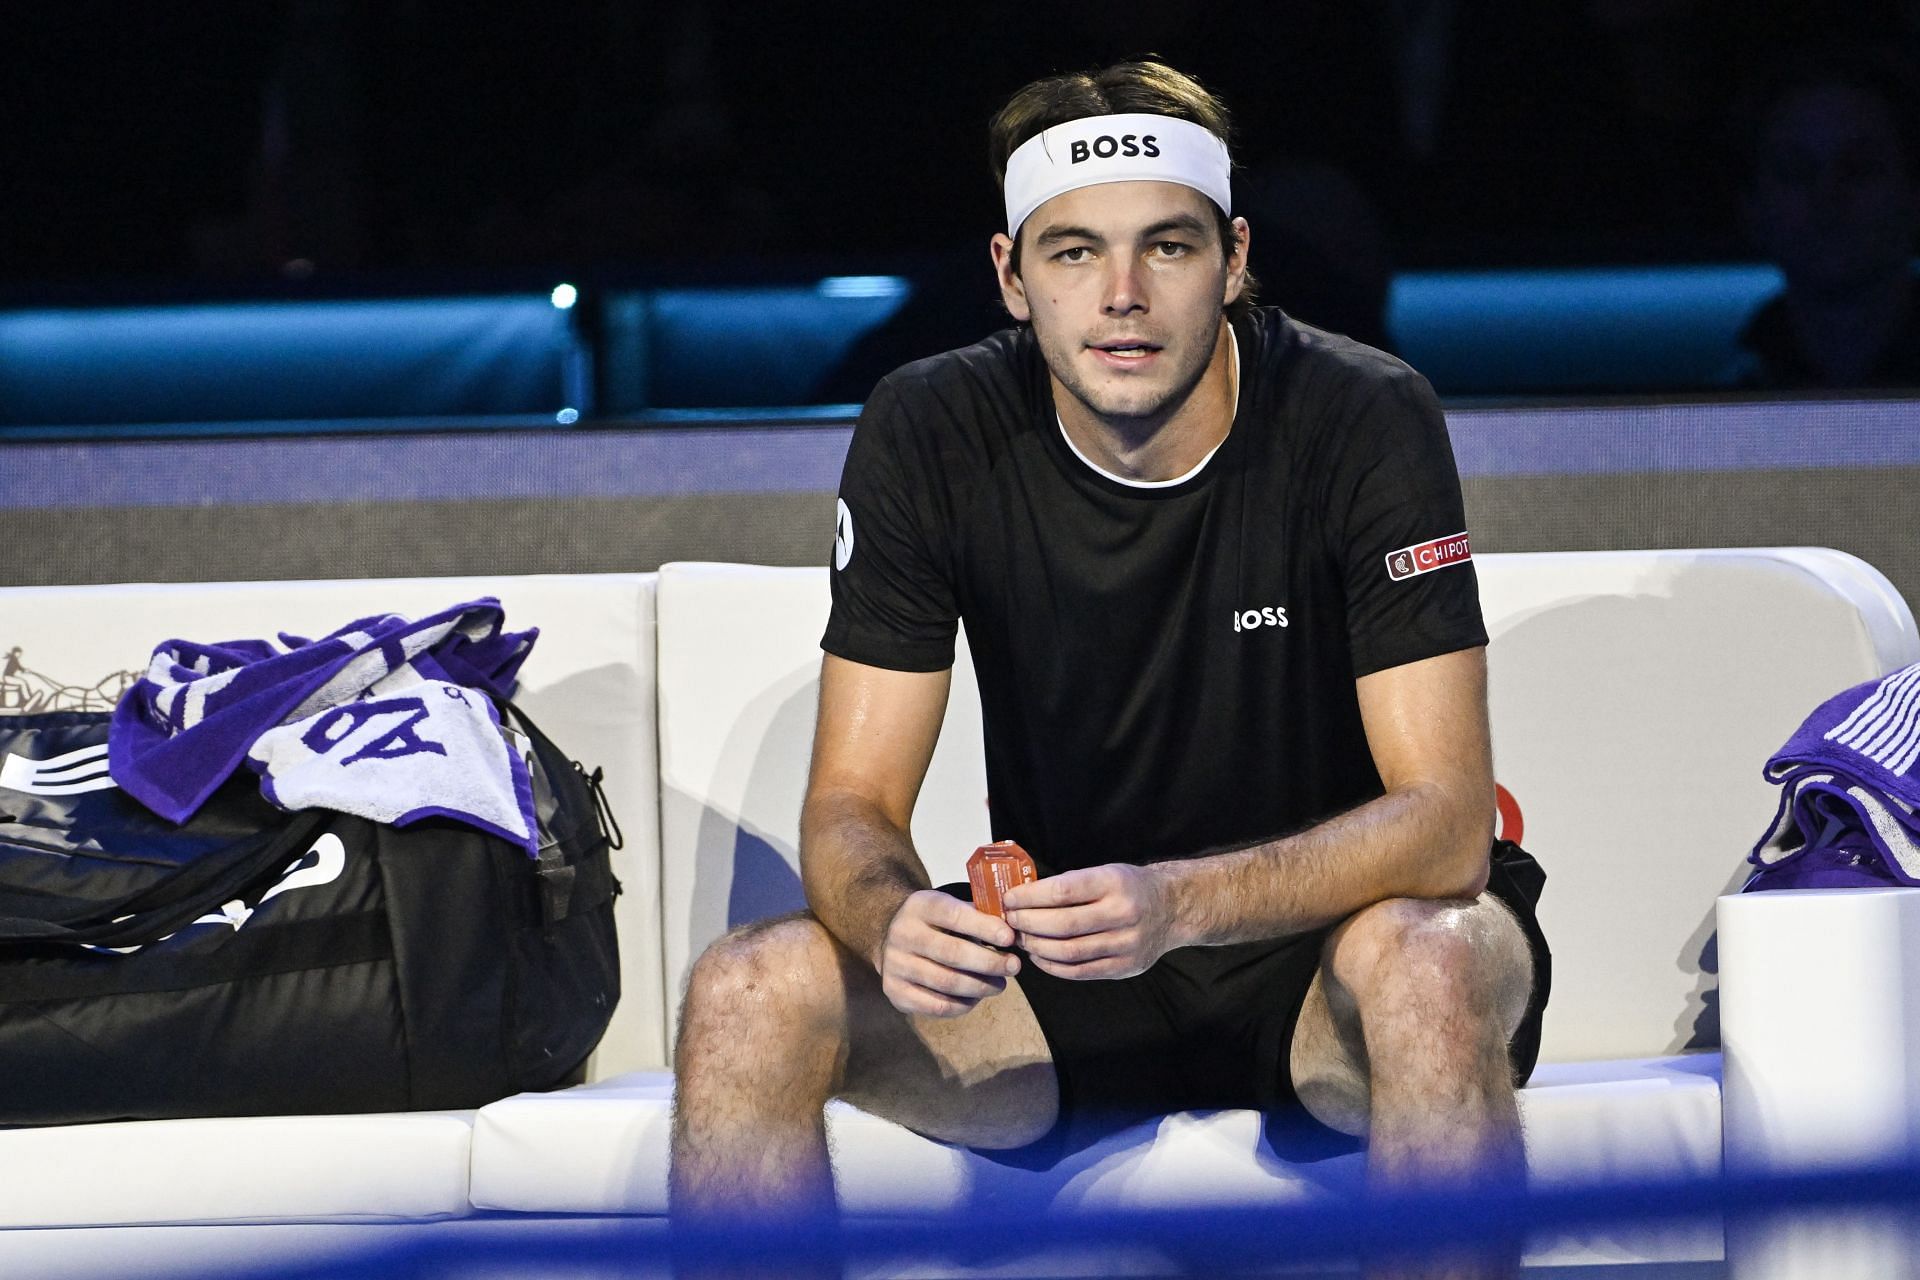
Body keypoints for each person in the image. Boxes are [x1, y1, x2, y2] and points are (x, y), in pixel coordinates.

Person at [670, 59, 1549, 1277]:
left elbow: (1448, 825)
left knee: (1433, 959)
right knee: (745, 987)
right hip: (1071, 970)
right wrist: (895, 917)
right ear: (1010, 277)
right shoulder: (931, 427)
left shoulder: (1363, 413)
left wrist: (1178, 901)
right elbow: (850, 809)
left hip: (1339, 952)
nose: (1122, 296)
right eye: (1075, 252)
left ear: (1235, 261)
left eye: (1169, 249)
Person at [1734, 46, 1920, 390]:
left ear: (1913, 195)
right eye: (1795, 171)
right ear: (1753, 208)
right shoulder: (1715, 409)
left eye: (1860, 168)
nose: (1827, 198)